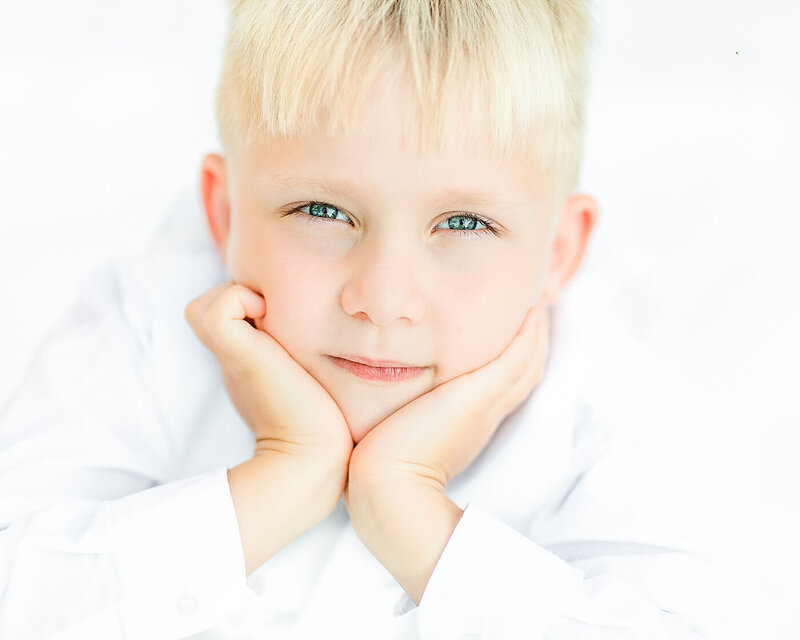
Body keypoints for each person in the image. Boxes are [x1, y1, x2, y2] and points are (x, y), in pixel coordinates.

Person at [0, 1, 775, 638]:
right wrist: (283, 473)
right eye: (323, 210)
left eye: (465, 224)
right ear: (226, 212)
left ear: (558, 253)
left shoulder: (610, 399)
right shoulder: (138, 325)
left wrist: (413, 512)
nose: (384, 298)